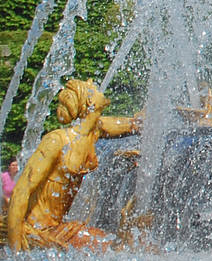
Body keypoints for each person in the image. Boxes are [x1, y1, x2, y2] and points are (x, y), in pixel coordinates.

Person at [6, 79, 141, 250]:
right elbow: (21, 191)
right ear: (90, 102)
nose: (97, 87)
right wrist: (15, 250)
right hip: (38, 231)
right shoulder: (57, 141)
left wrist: (147, 117)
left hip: (59, 228)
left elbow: (131, 125)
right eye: (92, 88)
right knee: (111, 247)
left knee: (126, 244)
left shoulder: (94, 132)